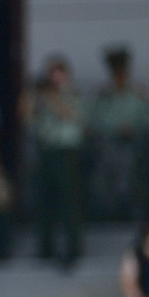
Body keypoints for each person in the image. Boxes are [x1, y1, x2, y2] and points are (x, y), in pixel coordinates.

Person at [25, 55, 87, 268]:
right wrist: (31, 96)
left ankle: (73, 247)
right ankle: (46, 247)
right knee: (45, 201)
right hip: (47, 150)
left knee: (69, 202)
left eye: (59, 72)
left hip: (66, 151)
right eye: (52, 73)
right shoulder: (42, 96)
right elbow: (27, 118)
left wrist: (49, 97)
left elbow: (69, 114)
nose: (55, 77)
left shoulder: (72, 93)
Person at [93, 45, 149, 223]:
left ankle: (136, 214)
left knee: (135, 183)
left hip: (135, 151)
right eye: (116, 75)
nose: (119, 79)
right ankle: (112, 214)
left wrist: (133, 130)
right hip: (110, 151)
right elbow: (95, 122)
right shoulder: (103, 98)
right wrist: (114, 129)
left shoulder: (139, 96)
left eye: (121, 74)